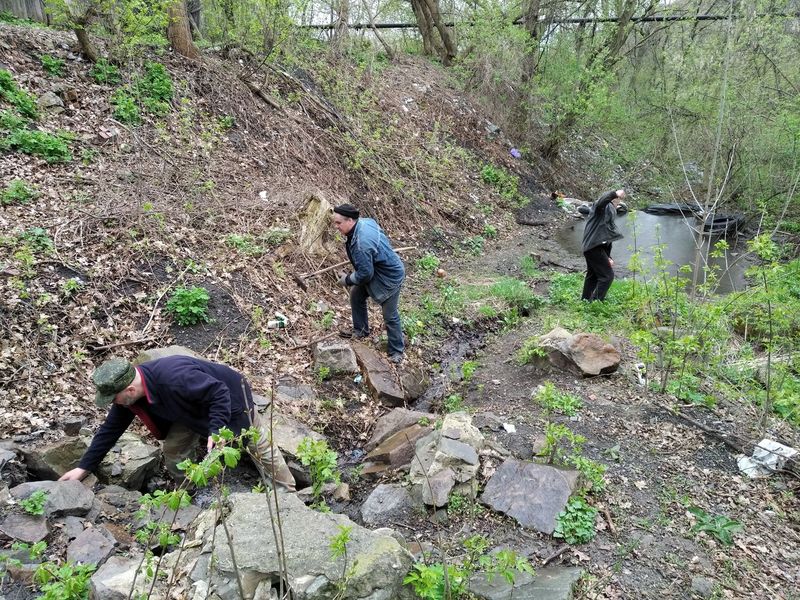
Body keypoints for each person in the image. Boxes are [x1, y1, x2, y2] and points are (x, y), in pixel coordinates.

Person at [59, 355, 296, 490]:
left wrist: (216, 429)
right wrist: (84, 467)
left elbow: (219, 393)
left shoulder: (175, 379)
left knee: (257, 445)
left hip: (231, 401)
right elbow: (110, 430)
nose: (114, 403)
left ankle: (287, 494)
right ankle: (191, 490)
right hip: (189, 410)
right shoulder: (129, 399)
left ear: (129, 389)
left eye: (114, 399)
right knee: (173, 448)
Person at [332, 203, 406, 363]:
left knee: (390, 315)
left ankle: (397, 352)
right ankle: (361, 330)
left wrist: (347, 279)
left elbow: (365, 274)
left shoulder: (362, 243)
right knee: (356, 294)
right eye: (335, 222)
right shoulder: (366, 222)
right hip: (376, 269)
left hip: (389, 277)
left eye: (339, 223)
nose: (336, 226)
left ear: (350, 220)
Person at [581, 189, 626, 302]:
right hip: (593, 247)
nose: (617, 206)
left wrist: (608, 256)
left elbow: (606, 239)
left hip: (593, 247)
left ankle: (585, 301)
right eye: (617, 202)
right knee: (607, 276)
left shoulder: (607, 216)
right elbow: (602, 201)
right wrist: (615, 194)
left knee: (593, 275)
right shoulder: (601, 207)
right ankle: (596, 302)